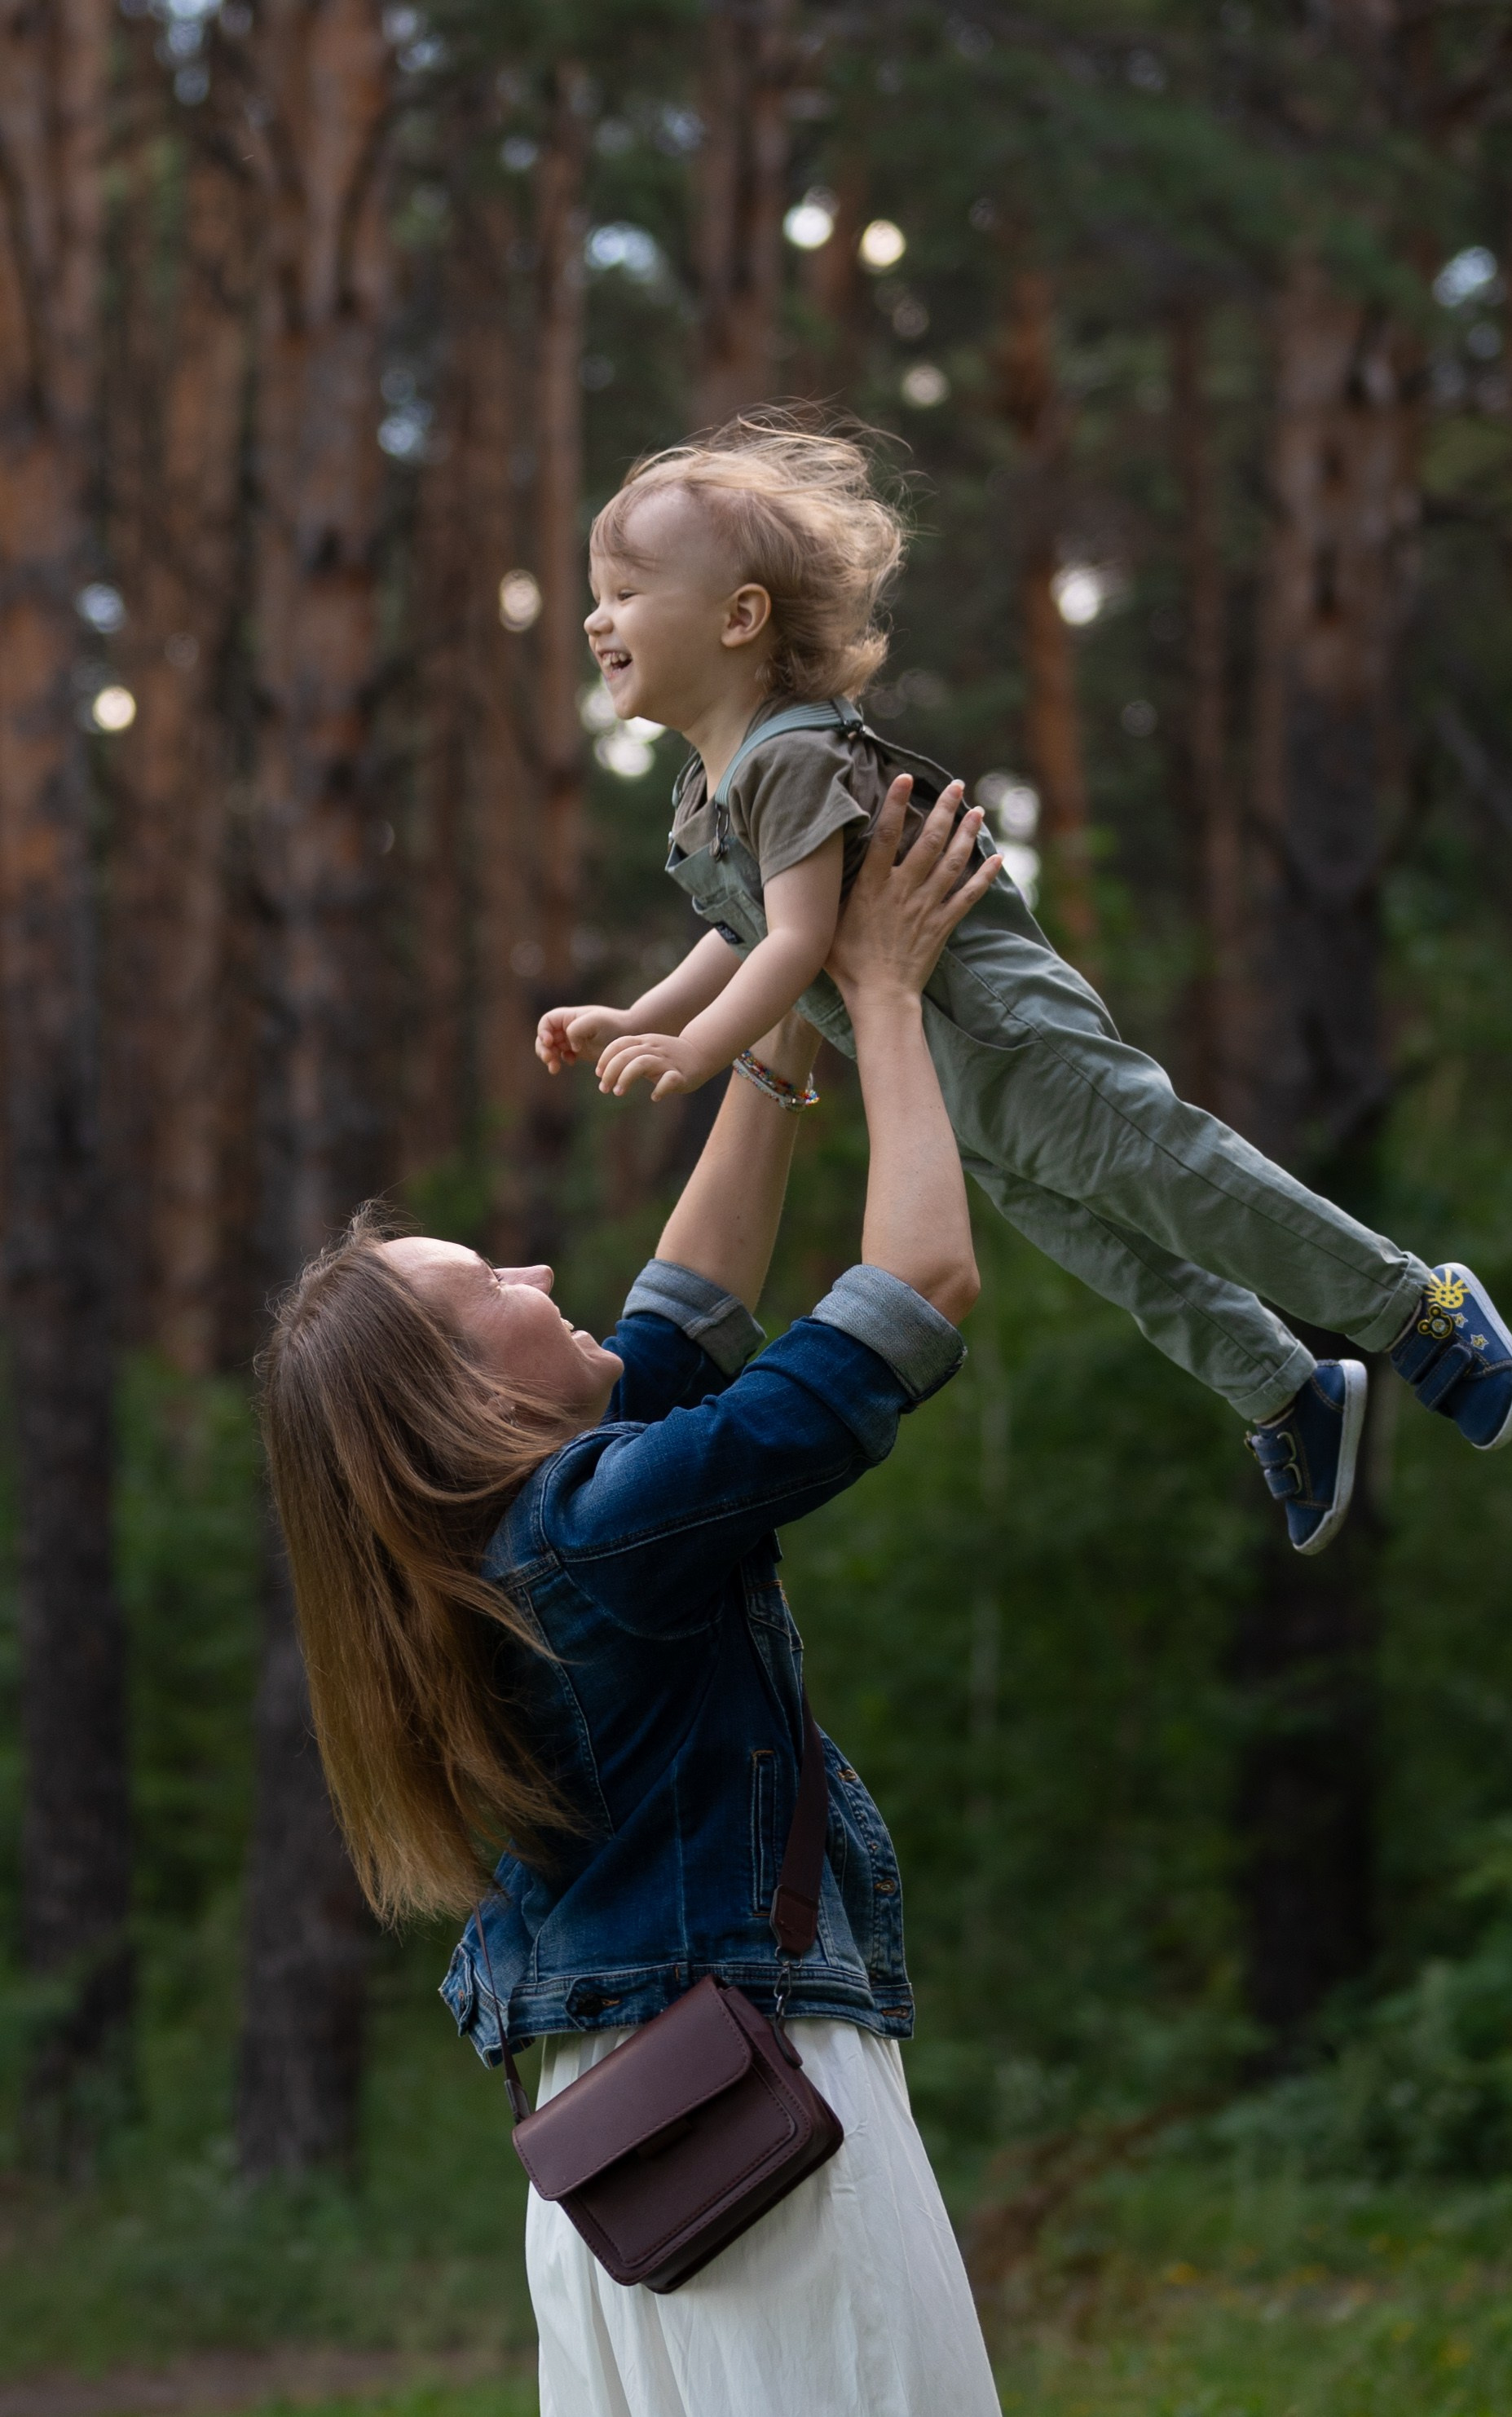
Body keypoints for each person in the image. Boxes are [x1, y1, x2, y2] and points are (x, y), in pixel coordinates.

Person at [258, 787, 1006, 2417]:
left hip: (625, 2156)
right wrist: (879, 993)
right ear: (466, 1402)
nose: (539, 1275)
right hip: (755, 2111)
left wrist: (779, 989)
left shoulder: (506, 1546)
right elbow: (918, 1291)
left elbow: (686, 1310)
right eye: (493, 1290)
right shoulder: (588, 1532)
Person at [537, 413, 1512, 1557]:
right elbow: (742, 927)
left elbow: (798, 940)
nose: (593, 618)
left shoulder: (790, 754)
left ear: (738, 617)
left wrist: (700, 1049)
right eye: (592, 595)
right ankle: (1283, 1388)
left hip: (1003, 1030)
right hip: (948, 1065)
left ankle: (1416, 1308)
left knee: (1176, 1180)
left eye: (622, 590)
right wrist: (641, 1012)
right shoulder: (710, 790)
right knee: (1105, 1244)